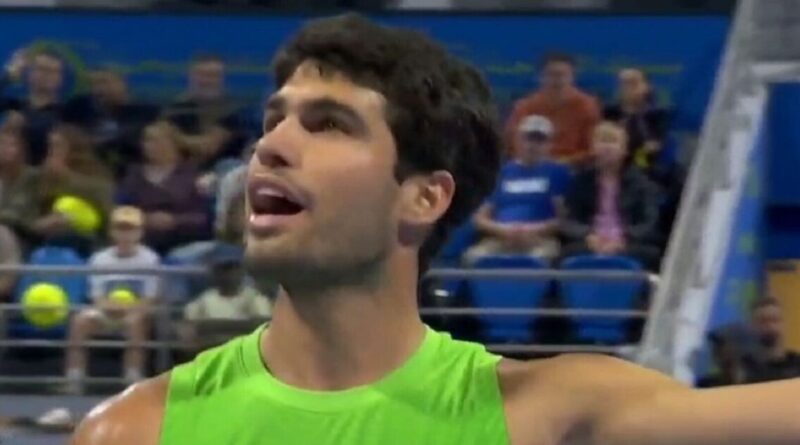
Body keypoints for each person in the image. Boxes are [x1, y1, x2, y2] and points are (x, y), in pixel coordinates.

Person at [71, 14, 800, 445]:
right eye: (274, 119)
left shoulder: (549, 413)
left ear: (424, 197)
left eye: (329, 124)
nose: (272, 145)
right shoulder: (134, 431)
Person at [65, 206, 160, 392]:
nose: (125, 235)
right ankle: (74, 378)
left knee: (136, 322)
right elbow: (96, 296)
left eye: (131, 229)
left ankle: (132, 379)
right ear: (111, 232)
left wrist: (128, 309)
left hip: (135, 312)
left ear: (140, 232)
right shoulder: (99, 259)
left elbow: (150, 297)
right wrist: (110, 308)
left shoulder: (150, 259)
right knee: (80, 321)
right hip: (105, 311)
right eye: (120, 229)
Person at [466, 114, 570, 263]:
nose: (533, 145)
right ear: (518, 140)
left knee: (541, 258)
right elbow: (480, 218)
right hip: (500, 237)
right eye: (528, 139)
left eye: (540, 140)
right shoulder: (502, 172)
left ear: (549, 144)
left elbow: (563, 218)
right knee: (473, 257)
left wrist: (531, 230)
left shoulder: (558, 172)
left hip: (540, 239)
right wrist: (504, 230)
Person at [562, 121, 661, 270]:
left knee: (653, 256)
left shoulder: (641, 183)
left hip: (628, 242)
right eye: (602, 141)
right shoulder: (580, 180)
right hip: (590, 241)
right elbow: (569, 220)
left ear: (624, 150)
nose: (607, 147)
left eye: (613, 141)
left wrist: (624, 238)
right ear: (593, 148)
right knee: (563, 256)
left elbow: (649, 221)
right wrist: (588, 236)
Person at [117, 120, 210, 254]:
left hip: (186, 242)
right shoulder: (134, 175)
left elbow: (204, 216)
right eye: (148, 141)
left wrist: (175, 221)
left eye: (160, 141)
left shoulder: (193, 175)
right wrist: (144, 218)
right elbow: (121, 210)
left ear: (175, 144)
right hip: (141, 242)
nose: (153, 146)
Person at [505, 52, 601, 166]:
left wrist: (560, 164)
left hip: (573, 169)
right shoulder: (525, 107)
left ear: (573, 77)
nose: (557, 80)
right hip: (532, 167)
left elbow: (593, 149)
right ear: (540, 77)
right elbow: (512, 146)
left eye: (562, 75)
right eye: (551, 75)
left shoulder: (587, 106)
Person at [32, 124, 114, 256]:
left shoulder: (95, 172)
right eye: (50, 146)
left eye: (57, 146)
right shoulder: (41, 175)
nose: (52, 151)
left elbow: (103, 197)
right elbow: (34, 208)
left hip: (91, 236)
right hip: (46, 236)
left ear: (74, 148)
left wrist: (66, 177)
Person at [62, 68, 160, 176]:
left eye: (104, 82)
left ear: (123, 83)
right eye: (93, 84)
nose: (98, 89)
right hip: (89, 175)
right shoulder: (78, 108)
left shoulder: (147, 113)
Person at [179, 243, 272, 352]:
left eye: (233, 268)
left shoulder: (254, 298)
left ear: (242, 270)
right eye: (223, 268)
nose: (229, 274)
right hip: (212, 354)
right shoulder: (202, 301)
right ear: (215, 271)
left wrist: (210, 327)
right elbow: (189, 332)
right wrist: (240, 327)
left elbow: (262, 326)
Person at [161, 54, 245, 171]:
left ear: (222, 78)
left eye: (213, 75)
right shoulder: (176, 108)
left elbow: (207, 147)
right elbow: (160, 140)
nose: (207, 81)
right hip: (180, 171)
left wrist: (175, 137)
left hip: (223, 171)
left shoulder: (233, 109)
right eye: (202, 75)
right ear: (191, 77)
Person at [1, 48, 65, 165]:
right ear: (29, 74)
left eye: (53, 71)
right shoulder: (14, 106)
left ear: (60, 79)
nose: (46, 75)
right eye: (41, 69)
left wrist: (18, 128)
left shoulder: (67, 112)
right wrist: (9, 75)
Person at [603, 68, 670, 177]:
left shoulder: (658, 114)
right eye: (623, 84)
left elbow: (655, 145)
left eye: (633, 83)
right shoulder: (609, 113)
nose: (627, 88)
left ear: (647, 87)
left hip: (644, 164)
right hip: (612, 165)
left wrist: (639, 155)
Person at [0, 127, 39, 249]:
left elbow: (18, 214)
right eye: (2, 144)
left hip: (20, 235)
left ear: (22, 150)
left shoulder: (32, 177)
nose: (4, 149)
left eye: (11, 145)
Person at [746, 297, 800, 383]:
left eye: (774, 320)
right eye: (763, 321)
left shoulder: (797, 365)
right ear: (751, 326)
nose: (770, 326)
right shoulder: (744, 369)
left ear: (783, 324)